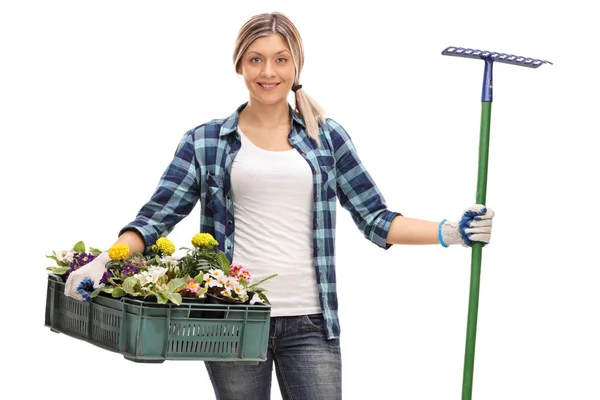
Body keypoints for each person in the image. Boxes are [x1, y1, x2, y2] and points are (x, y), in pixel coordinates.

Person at [64, 11, 495, 400]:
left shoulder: (327, 137)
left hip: (310, 323)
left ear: (296, 66)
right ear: (239, 65)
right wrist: (105, 259)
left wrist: (452, 231)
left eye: (280, 59)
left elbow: (376, 219)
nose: (268, 71)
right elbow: (157, 217)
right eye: (255, 59)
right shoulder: (204, 141)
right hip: (232, 322)